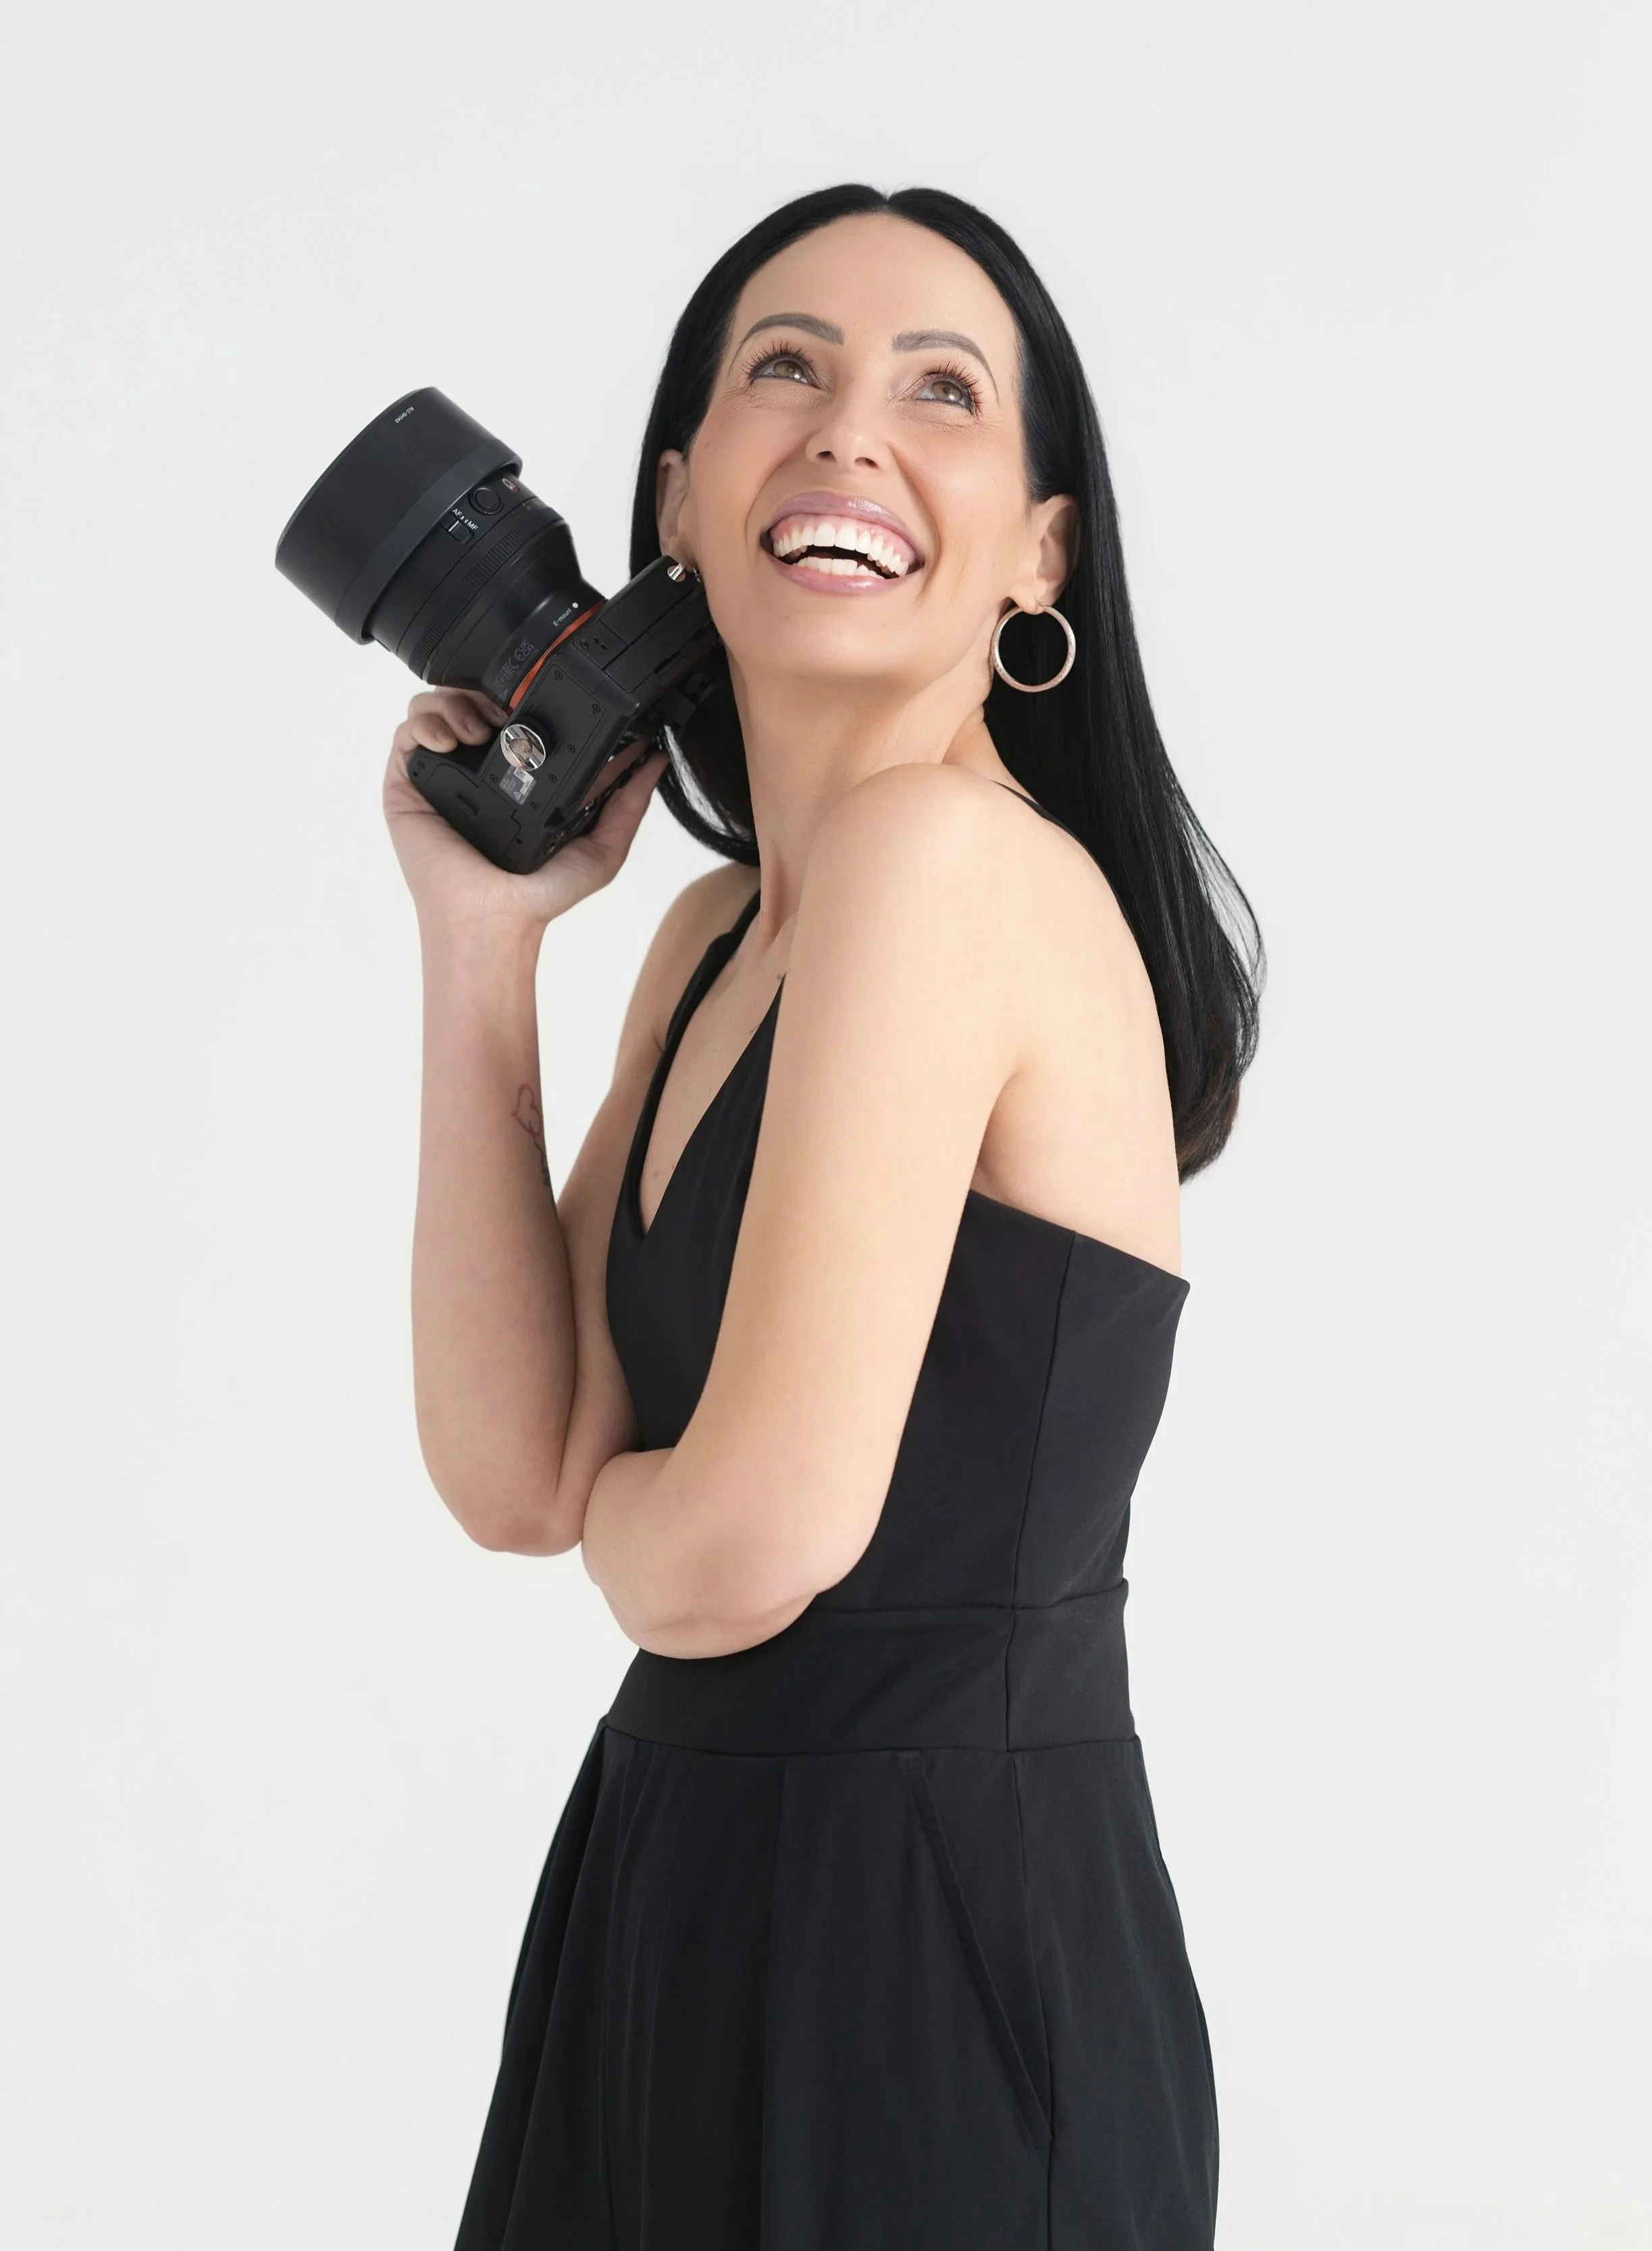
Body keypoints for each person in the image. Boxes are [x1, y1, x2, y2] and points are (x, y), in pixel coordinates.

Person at [386, 183, 1261, 2250]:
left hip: (923, 1946)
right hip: (678, 1886)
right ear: (680, 497)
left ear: (1041, 550)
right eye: (786, 367)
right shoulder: (713, 933)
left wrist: (641, 1522)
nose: (851, 431)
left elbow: (751, 1536)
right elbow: (520, 1470)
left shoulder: (941, 862)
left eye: (940, 390)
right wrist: (481, 950)